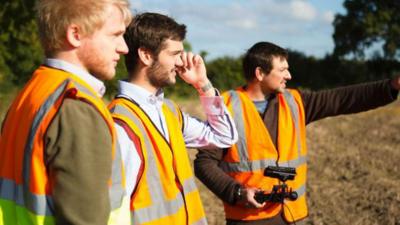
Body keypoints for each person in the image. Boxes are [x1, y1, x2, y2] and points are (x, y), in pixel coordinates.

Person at [194, 41, 400, 225]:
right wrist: (238, 192)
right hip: (249, 219)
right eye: (282, 70)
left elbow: (342, 98)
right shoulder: (226, 108)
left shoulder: (295, 102)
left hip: (291, 216)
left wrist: (391, 86)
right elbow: (204, 163)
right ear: (260, 73)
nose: (289, 76)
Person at [0, 0, 132, 224]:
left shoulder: (34, 91)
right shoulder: (77, 107)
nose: (124, 47)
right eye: (115, 35)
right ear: (75, 34)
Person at [108, 12, 238, 225]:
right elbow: (112, 213)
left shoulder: (169, 111)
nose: (181, 62)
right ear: (146, 55)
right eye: (175, 54)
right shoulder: (120, 124)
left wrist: (203, 84)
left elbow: (223, 137)